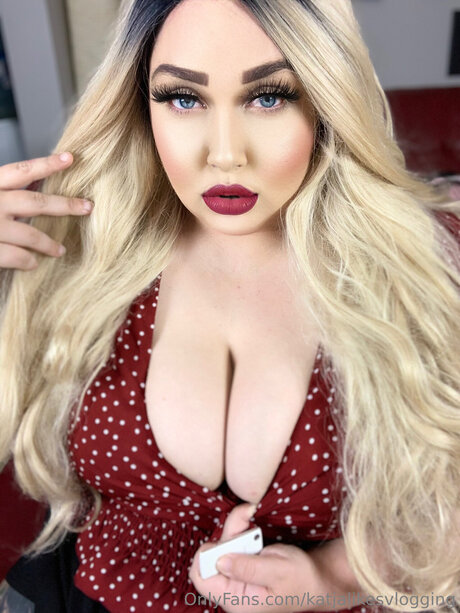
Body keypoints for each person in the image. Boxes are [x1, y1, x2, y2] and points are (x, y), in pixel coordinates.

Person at [0, 0, 460, 611]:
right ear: (140, 105)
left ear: (325, 100)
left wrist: (331, 578)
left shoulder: (425, 263)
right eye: (183, 98)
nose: (224, 154)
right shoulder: (77, 245)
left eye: (267, 97)